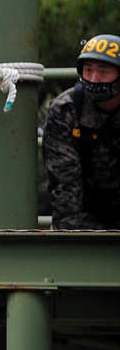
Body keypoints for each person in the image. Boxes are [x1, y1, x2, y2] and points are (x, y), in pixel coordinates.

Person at [41, 33, 120, 230]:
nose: (94, 79)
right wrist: (69, 245)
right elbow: (64, 182)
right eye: (88, 70)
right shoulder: (66, 110)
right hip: (85, 211)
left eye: (103, 71)